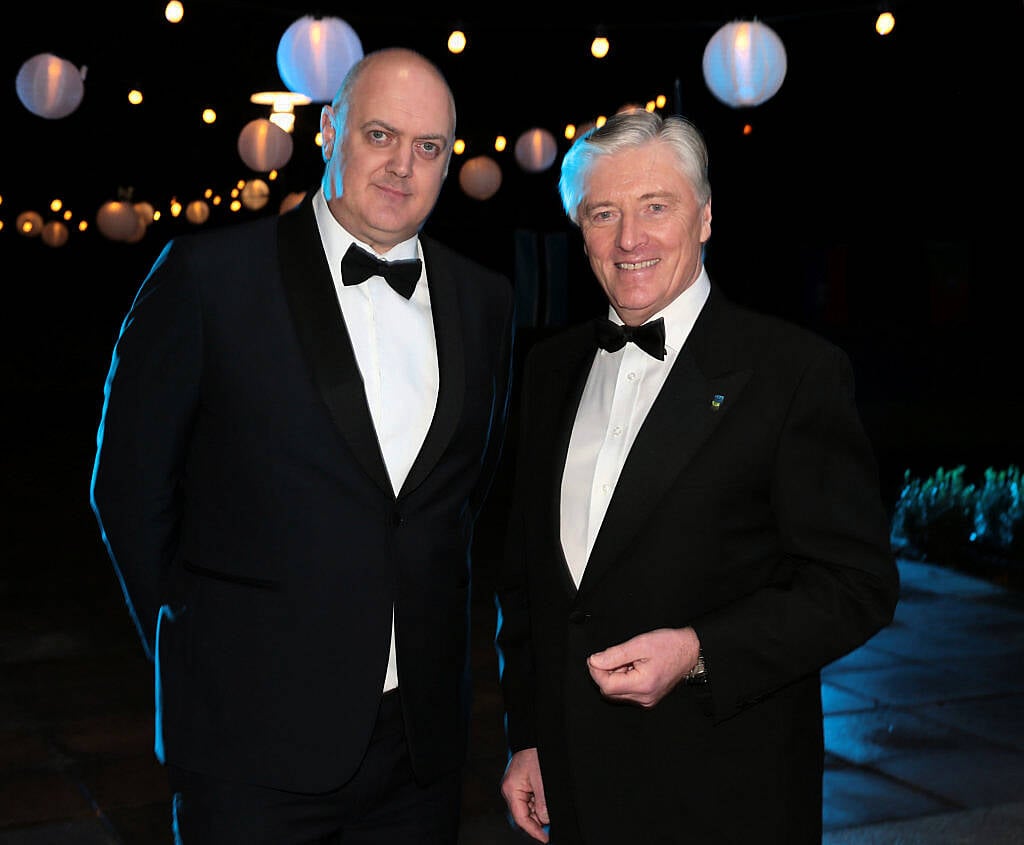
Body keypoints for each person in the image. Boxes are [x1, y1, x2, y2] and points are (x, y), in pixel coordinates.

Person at [90, 47, 515, 844]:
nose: (402, 165)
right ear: (329, 131)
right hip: (250, 742)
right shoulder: (208, 277)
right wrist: (197, 654)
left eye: (428, 147)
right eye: (380, 134)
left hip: (419, 753)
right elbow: (128, 489)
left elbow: (459, 498)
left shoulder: (484, 301)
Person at [495, 110, 899, 844]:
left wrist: (699, 650)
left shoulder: (792, 372)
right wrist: (527, 733)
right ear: (578, 228)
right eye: (603, 213)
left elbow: (855, 584)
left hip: (724, 795)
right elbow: (526, 581)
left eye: (656, 206)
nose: (629, 239)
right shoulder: (548, 370)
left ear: (705, 217)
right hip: (575, 796)